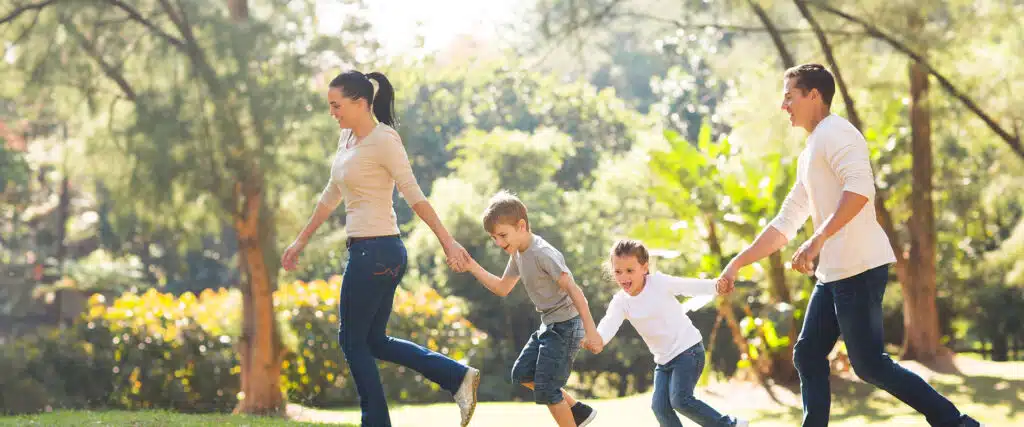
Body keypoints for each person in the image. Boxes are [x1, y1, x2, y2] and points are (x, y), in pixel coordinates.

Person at [715, 63, 983, 427]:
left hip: (859, 267)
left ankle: (957, 423)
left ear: (814, 95)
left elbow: (860, 190)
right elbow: (784, 223)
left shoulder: (838, 133)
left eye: (789, 97)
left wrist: (818, 238)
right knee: (808, 355)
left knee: (870, 365)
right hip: (835, 273)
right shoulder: (810, 151)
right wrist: (737, 263)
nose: (784, 106)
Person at [281, 70, 479, 427]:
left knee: (351, 341)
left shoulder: (385, 139)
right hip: (372, 252)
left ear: (361, 103)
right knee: (372, 340)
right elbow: (331, 194)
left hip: (376, 251)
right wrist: (301, 240)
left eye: (337, 105)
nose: (333, 113)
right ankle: (456, 377)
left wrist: (447, 241)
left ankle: (376, 423)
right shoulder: (347, 139)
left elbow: (413, 193)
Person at [460, 190, 601, 427]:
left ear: (521, 225)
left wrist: (591, 331)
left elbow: (575, 291)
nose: (499, 243)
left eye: (503, 235)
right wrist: (471, 266)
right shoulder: (517, 254)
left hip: (566, 325)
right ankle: (578, 411)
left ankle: (575, 417)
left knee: (547, 389)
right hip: (550, 324)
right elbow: (503, 288)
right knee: (523, 373)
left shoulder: (543, 253)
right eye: (494, 238)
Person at [591, 239, 747, 427]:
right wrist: (598, 340)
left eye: (630, 271)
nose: (623, 277)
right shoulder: (621, 301)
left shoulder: (659, 283)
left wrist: (715, 286)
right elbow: (608, 324)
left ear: (644, 267)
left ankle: (729, 425)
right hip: (664, 361)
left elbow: (688, 286)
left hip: (688, 351)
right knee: (660, 407)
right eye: (618, 272)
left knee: (680, 400)